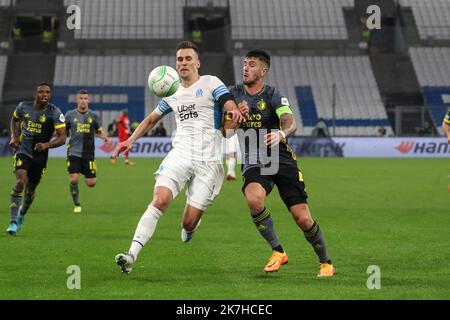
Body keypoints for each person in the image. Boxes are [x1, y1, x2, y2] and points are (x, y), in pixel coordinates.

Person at [114, 41, 245, 274]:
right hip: (180, 154)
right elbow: (151, 120)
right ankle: (131, 254)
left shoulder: (210, 82)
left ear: (197, 62)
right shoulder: (172, 92)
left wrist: (233, 110)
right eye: (179, 59)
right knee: (159, 200)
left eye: (187, 59)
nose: (183, 63)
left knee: (188, 223)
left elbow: (226, 100)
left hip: (209, 162)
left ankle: (191, 224)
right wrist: (130, 140)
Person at [229, 49, 336, 276]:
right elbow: (225, 131)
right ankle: (278, 251)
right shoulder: (233, 94)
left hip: (281, 157)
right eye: (244, 64)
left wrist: (282, 133)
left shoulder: (273, 95)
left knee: (303, 218)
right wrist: (235, 116)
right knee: (254, 199)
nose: (246, 68)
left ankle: (326, 262)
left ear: (263, 71)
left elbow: (290, 121)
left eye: (252, 64)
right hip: (255, 158)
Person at [6, 83, 66, 235]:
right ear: (35, 94)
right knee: (20, 181)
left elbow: (62, 138)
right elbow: (14, 120)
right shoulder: (23, 107)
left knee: (30, 191)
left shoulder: (55, 112)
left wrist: (45, 145)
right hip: (23, 151)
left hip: (40, 157)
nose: (44, 95)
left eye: (47, 92)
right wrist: (14, 136)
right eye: (41, 92)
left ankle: (21, 215)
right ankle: (12, 222)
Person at [65, 90, 110, 213]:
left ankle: (87, 174)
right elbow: (62, 131)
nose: (83, 100)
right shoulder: (70, 115)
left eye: (85, 98)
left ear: (88, 100)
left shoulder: (94, 116)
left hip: (89, 153)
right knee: (74, 179)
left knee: (91, 183)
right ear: (77, 100)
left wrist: (105, 137)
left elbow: (99, 130)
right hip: (73, 151)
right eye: (81, 98)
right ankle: (77, 203)